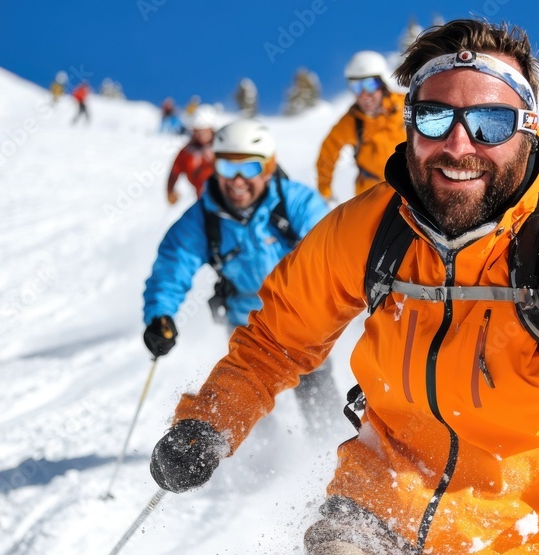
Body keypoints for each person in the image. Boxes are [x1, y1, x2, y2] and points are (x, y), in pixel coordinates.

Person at [149, 20, 539, 555]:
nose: (458, 145)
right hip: (378, 499)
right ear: (409, 125)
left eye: (490, 123)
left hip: (528, 528)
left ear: (527, 128)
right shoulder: (373, 226)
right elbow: (277, 338)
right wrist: (210, 422)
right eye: (434, 118)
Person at [143, 118, 342, 431]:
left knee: (316, 391)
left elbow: (334, 248)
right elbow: (174, 262)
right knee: (247, 398)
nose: (237, 181)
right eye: (226, 168)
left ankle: (329, 444)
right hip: (246, 324)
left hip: (301, 321)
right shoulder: (204, 216)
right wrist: (160, 314)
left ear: (267, 167)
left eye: (248, 168)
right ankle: (263, 460)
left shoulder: (295, 203)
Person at [315, 51, 406, 203]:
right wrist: (325, 191)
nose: (364, 94)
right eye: (356, 87)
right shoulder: (351, 122)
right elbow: (327, 154)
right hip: (372, 195)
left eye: (370, 85)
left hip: (410, 187)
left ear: (382, 84)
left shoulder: (404, 106)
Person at [165, 105, 217, 204]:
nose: (201, 135)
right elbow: (175, 170)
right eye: (197, 131)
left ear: (211, 129)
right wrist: (170, 190)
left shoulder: (222, 147)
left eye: (204, 131)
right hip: (203, 201)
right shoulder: (188, 152)